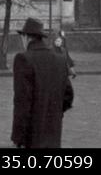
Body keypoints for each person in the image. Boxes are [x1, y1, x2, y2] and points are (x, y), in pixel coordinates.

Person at [11, 17, 74, 149]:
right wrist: (55, 113)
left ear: (26, 37)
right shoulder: (60, 59)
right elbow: (68, 94)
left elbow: (22, 101)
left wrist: (18, 137)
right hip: (54, 130)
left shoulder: (23, 59)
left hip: (32, 133)